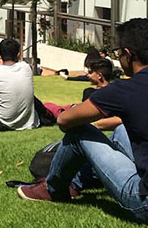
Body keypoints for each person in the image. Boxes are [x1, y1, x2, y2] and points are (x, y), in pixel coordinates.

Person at [17, 19, 148, 222]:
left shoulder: (124, 90)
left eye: (118, 53)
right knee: (121, 131)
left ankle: (54, 188)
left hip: (143, 200)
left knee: (79, 132)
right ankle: (81, 179)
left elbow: (64, 120)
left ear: (129, 55)